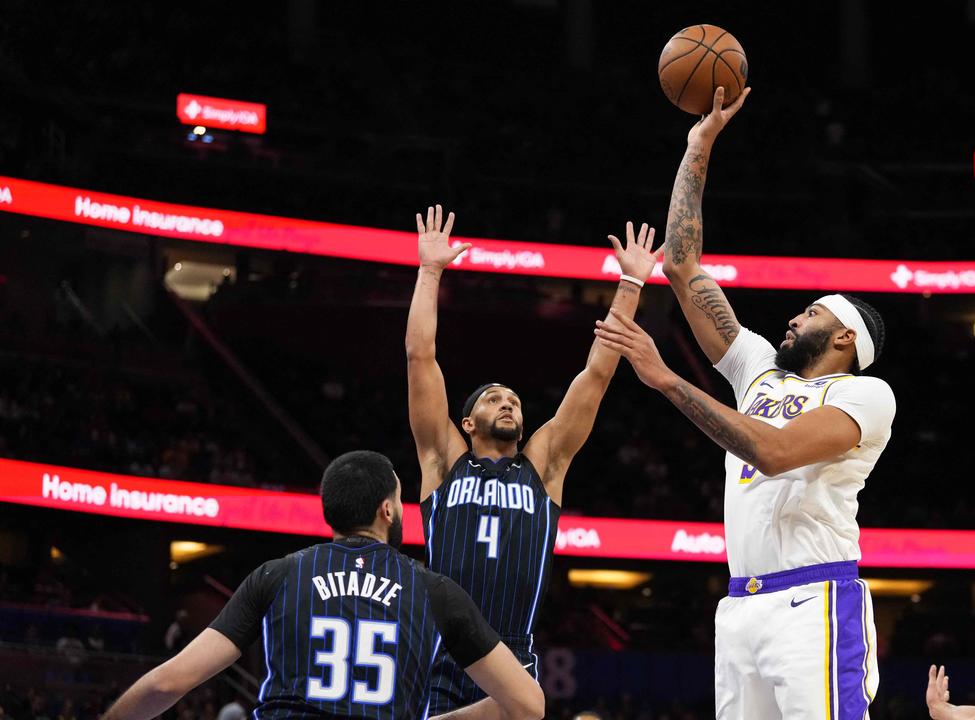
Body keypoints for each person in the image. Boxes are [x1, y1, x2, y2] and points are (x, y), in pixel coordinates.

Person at [593, 86, 895, 719]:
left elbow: (774, 451)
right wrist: (696, 146)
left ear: (845, 337)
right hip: (739, 605)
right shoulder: (759, 370)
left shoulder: (865, 394)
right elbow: (681, 264)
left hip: (814, 602)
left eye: (811, 312)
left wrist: (667, 378)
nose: (793, 317)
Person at [407, 206, 662, 712]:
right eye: (492, 399)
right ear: (467, 424)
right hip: (444, 658)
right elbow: (420, 357)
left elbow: (596, 375)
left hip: (513, 662)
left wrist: (631, 283)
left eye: (515, 401)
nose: (507, 403)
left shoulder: (543, 465)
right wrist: (430, 271)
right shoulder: (443, 460)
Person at [101, 451, 543, 720]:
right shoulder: (435, 590)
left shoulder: (277, 575)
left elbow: (167, 685)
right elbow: (527, 705)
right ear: (386, 510)